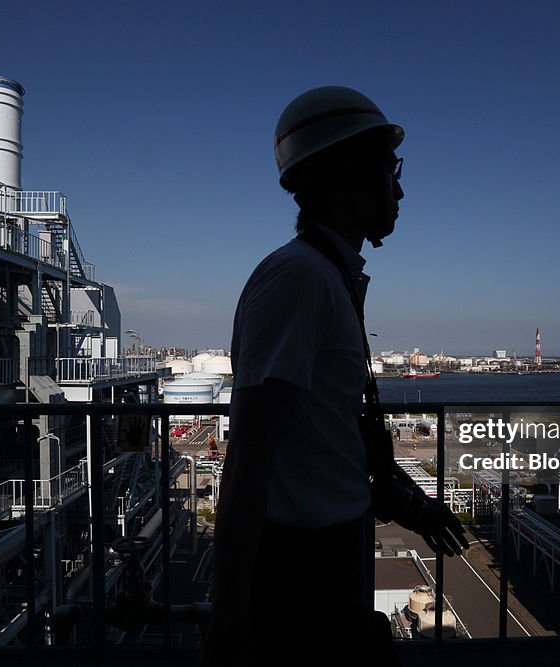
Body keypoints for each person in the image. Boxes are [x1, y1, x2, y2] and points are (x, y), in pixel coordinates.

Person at [200, 86, 467, 666]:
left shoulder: (326, 279)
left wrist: (411, 504)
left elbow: (324, 437)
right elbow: (248, 459)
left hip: (325, 564)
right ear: (348, 175)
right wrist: (227, 630)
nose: (398, 188)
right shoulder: (299, 282)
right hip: (303, 575)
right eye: (388, 170)